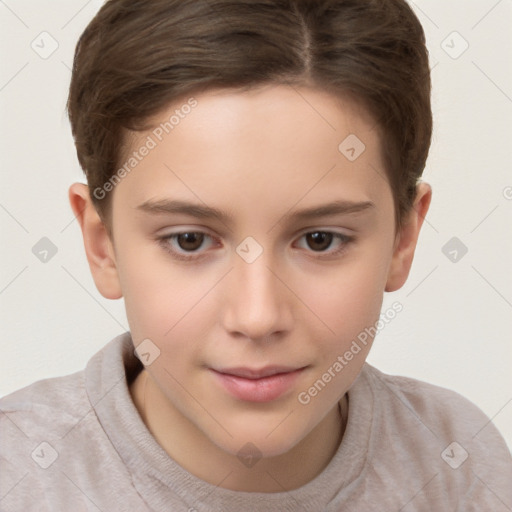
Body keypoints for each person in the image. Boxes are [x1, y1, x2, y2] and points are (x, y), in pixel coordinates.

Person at [1, 0, 511, 510]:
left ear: (403, 238)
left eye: (320, 240)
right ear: (102, 244)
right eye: (190, 241)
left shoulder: (458, 464)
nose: (258, 316)